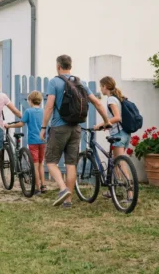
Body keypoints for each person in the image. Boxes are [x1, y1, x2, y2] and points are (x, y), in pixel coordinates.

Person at [40, 55, 111, 208]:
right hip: (76, 127)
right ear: (70, 66)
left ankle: (63, 188)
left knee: (51, 161)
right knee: (71, 163)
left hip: (59, 127)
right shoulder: (81, 83)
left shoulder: (54, 82)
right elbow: (97, 103)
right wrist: (107, 121)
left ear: (58, 66)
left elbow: (49, 106)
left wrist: (44, 127)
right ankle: (68, 201)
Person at [94, 76, 133, 200]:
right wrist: (107, 125)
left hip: (118, 135)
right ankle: (114, 191)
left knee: (121, 164)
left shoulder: (111, 99)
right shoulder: (116, 98)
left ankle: (130, 194)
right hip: (124, 134)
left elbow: (117, 117)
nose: (100, 89)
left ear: (105, 86)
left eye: (101, 86)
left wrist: (101, 124)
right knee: (115, 163)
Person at [5, 90, 47, 195]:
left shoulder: (28, 111)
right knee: (41, 164)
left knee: (35, 165)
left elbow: (21, 124)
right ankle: (43, 185)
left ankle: (37, 187)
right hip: (43, 141)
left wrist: (9, 126)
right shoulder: (44, 111)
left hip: (33, 141)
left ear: (30, 101)